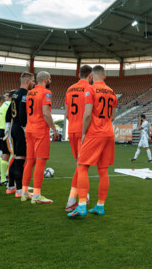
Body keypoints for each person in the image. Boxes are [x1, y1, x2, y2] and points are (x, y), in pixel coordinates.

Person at [68, 65, 117, 218]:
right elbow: (113, 116)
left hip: (94, 133)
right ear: (105, 76)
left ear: (92, 76)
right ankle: (100, 206)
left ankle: (81, 205)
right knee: (103, 171)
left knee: (82, 166)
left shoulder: (90, 89)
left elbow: (87, 114)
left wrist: (83, 133)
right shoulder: (112, 92)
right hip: (108, 133)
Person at [21, 71, 59, 204]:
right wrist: (54, 129)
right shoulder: (46, 92)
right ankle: (36, 195)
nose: (50, 80)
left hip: (30, 129)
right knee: (40, 162)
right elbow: (46, 113)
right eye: (50, 78)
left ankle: (24, 193)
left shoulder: (30, 92)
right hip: (40, 130)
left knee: (29, 161)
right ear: (46, 79)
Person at [64, 64, 93, 212]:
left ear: (79, 74)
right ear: (91, 75)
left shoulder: (69, 89)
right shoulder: (90, 89)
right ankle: (72, 201)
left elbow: (67, 114)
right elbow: (89, 113)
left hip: (72, 130)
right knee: (82, 167)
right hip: (84, 131)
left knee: (78, 164)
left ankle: (84, 194)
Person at [6, 72, 35, 197]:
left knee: (16, 157)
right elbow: (23, 112)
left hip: (14, 127)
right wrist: (24, 127)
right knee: (20, 159)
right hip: (20, 128)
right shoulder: (25, 94)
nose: (34, 83)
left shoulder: (15, 94)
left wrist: (8, 125)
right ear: (27, 81)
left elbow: (9, 111)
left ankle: (10, 186)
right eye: (33, 81)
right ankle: (19, 190)